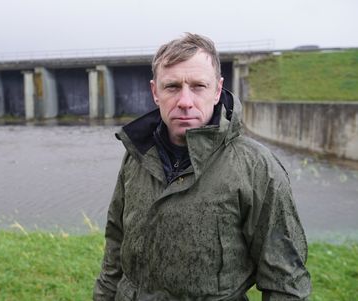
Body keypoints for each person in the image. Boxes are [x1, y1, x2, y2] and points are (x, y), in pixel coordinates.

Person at [94, 33, 311, 300]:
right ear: (155, 92)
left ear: (218, 90)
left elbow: (285, 282)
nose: (185, 102)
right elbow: (115, 245)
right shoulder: (136, 156)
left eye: (198, 86)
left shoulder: (256, 168)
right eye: (172, 87)